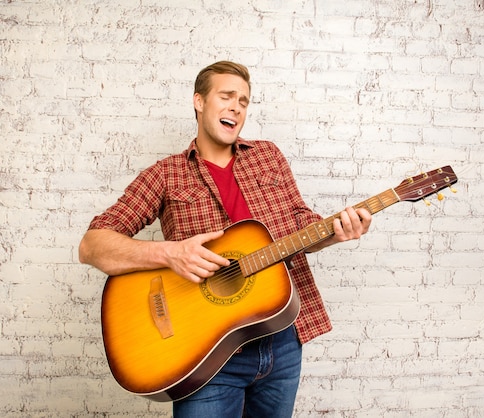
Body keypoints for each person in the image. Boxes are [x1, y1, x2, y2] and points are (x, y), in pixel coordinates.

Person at [79, 61, 372, 417]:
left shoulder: (268, 156)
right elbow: (92, 245)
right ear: (199, 102)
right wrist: (170, 254)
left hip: (281, 342)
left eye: (244, 101)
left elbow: (299, 224)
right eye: (227, 96)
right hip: (205, 353)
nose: (237, 106)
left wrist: (335, 233)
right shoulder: (165, 174)